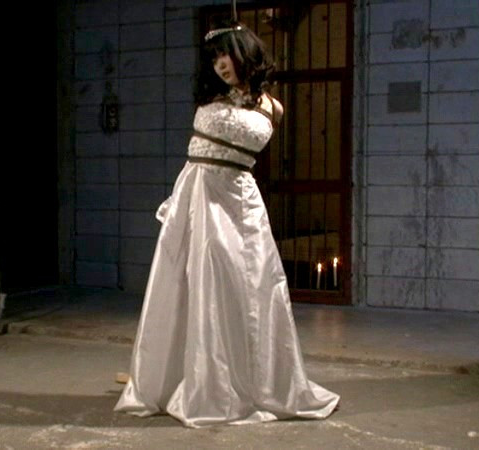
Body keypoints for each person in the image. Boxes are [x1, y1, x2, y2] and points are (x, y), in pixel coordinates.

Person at [114, 22, 340, 428]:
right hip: (200, 193)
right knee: (197, 281)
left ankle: (252, 382)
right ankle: (190, 378)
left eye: (227, 54)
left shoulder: (273, 107)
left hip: (239, 196)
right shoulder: (212, 98)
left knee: (248, 285)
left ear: (246, 54)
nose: (220, 64)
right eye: (215, 57)